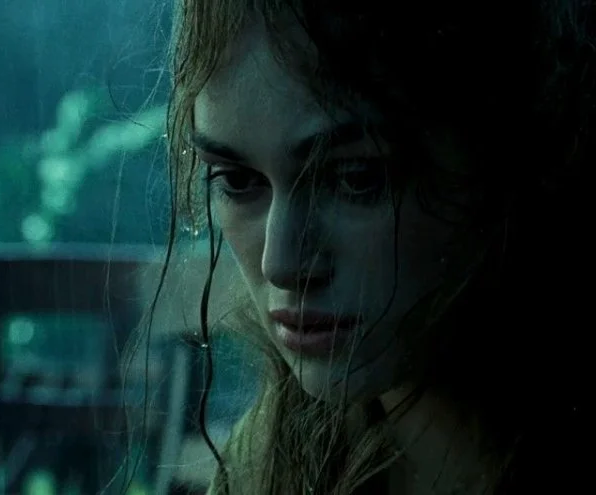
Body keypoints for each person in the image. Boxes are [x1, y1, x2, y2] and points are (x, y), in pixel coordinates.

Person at [135, 0, 594, 494]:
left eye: (355, 177)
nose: (281, 264)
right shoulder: (271, 457)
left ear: (506, 154)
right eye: (237, 180)